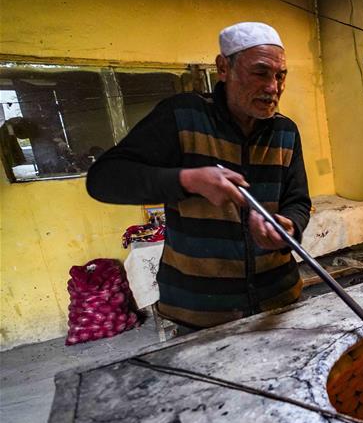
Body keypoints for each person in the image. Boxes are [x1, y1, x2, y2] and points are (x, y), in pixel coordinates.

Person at [87, 22, 311, 330]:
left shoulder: (285, 131)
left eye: (280, 75)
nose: (273, 87)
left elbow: (297, 200)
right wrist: (187, 181)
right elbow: (103, 179)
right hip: (201, 310)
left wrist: (288, 225)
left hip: (278, 300)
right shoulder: (182, 116)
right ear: (223, 68)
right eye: (260, 73)